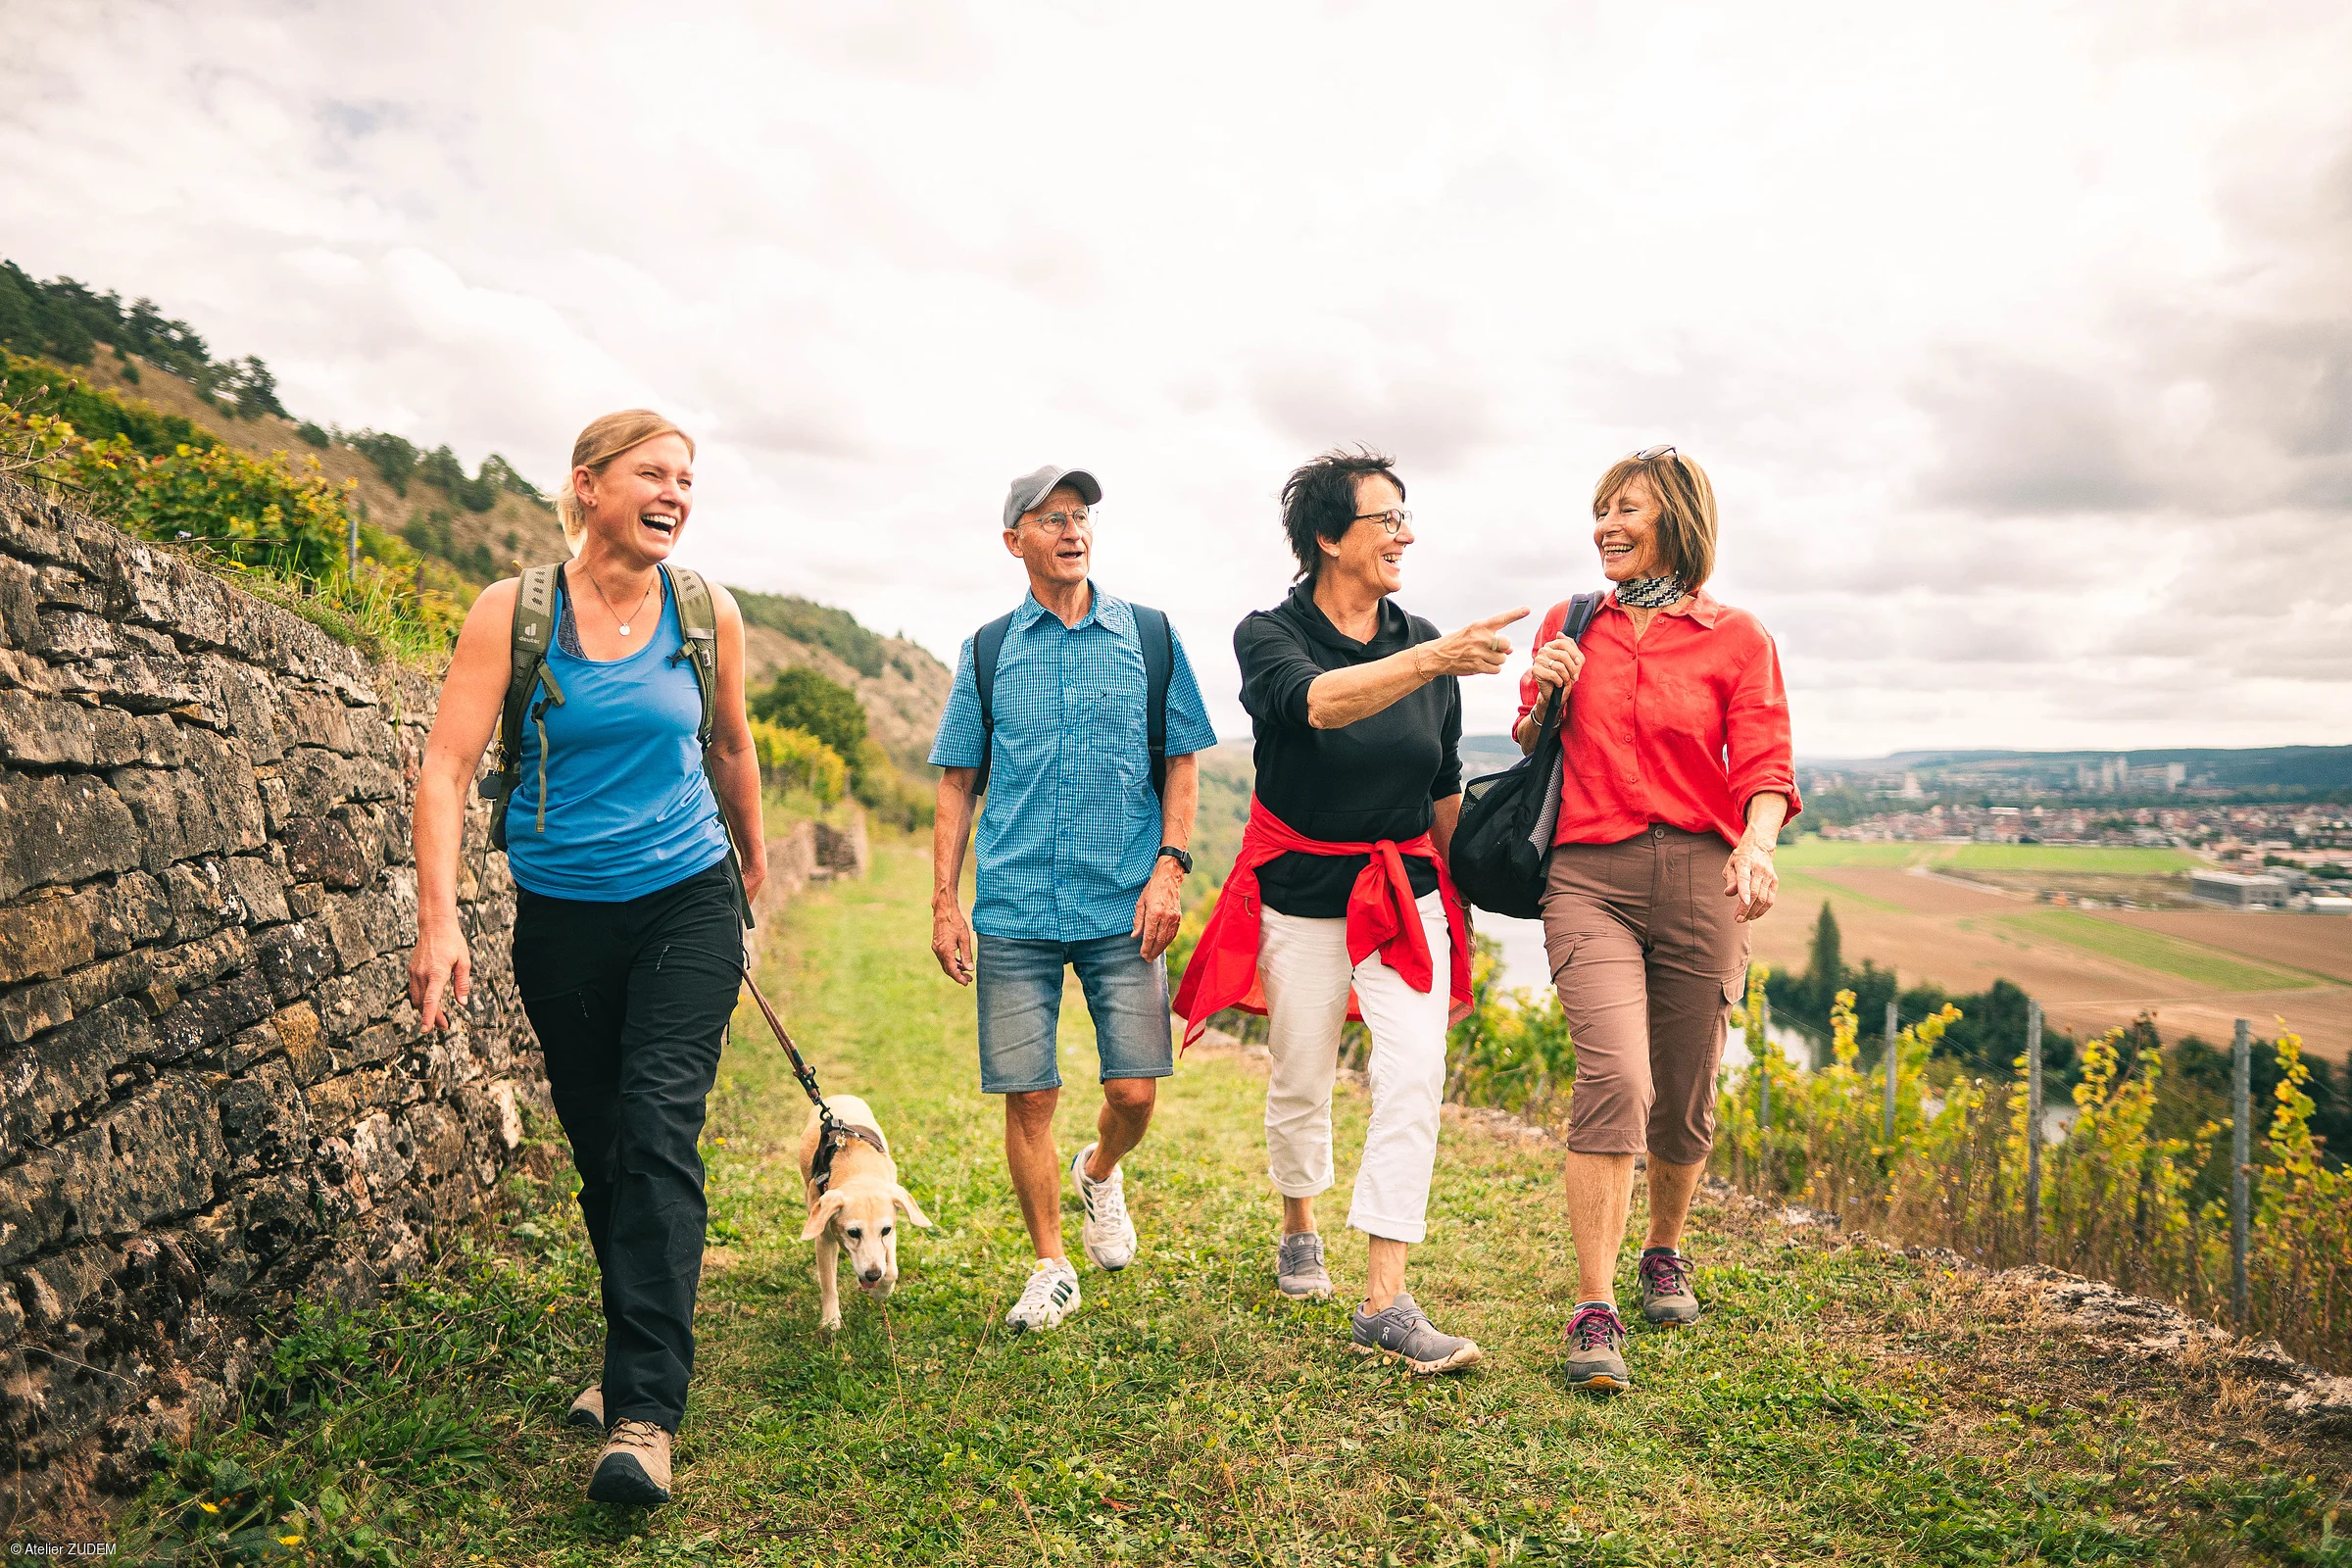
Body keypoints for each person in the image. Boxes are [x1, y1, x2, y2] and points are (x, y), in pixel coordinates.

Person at [407, 411, 767, 1504]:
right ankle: (627, 1353)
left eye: (687, 480)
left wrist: (750, 857)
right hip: (562, 915)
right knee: (606, 1148)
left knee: (657, 1125)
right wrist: (438, 918)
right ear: (589, 485)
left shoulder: (704, 612)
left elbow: (730, 741)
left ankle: (645, 1414)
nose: (676, 494)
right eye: (654, 474)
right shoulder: (514, 613)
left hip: (686, 899)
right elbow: (445, 767)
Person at [1173, 447, 1528, 1375]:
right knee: (1301, 1078)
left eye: (1408, 517)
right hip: (1302, 895)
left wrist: (1466, 895)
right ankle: (1299, 1223)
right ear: (1329, 537)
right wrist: (1436, 658)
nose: (1405, 534)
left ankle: (1385, 1299)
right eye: (1386, 519)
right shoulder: (1269, 634)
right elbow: (1319, 706)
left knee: (1412, 1076)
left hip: (1406, 894)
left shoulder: (1425, 639)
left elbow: (1442, 783)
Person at [1514, 444, 1797, 1394]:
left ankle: (1663, 1251)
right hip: (1588, 874)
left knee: (1682, 1091)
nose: (1605, 526)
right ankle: (1594, 1306)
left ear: (1676, 518)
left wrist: (1757, 845)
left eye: (1626, 509)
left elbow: (1765, 766)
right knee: (1617, 1077)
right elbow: (1530, 741)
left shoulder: (1738, 638)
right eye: (1601, 510)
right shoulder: (1572, 622)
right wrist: (1546, 691)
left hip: (1703, 879)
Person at [928, 466, 1216, 1333]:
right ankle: (1051, 1265)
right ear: (1013, 540)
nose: (1071, 529)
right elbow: (957, 783)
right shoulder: (987, 650)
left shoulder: (1150, 636)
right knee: (1029, 1095)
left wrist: (1169, 871)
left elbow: (1183, 762)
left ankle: (1099, 1172)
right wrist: (945, 902)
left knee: (1135, 1094)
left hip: (1122, 904)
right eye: (1049, 517)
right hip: (1015, 907)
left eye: (1080, 514)